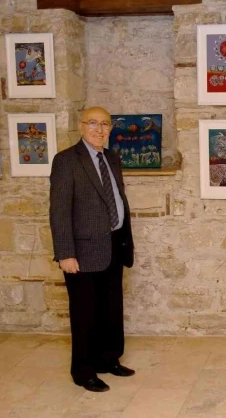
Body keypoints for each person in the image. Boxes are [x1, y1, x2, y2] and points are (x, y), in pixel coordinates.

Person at [49, 106, 135, 393]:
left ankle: (108, 359)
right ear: (81, 126)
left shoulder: (112, 158)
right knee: (85, 313)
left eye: (105, 124)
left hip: (114, 244)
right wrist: (65, 253)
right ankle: (83, 371)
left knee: (111, 307)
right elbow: (59, 211)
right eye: (93, 123)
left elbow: (116, 199)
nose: (100, 129)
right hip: (83, 250)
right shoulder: (66, 161)